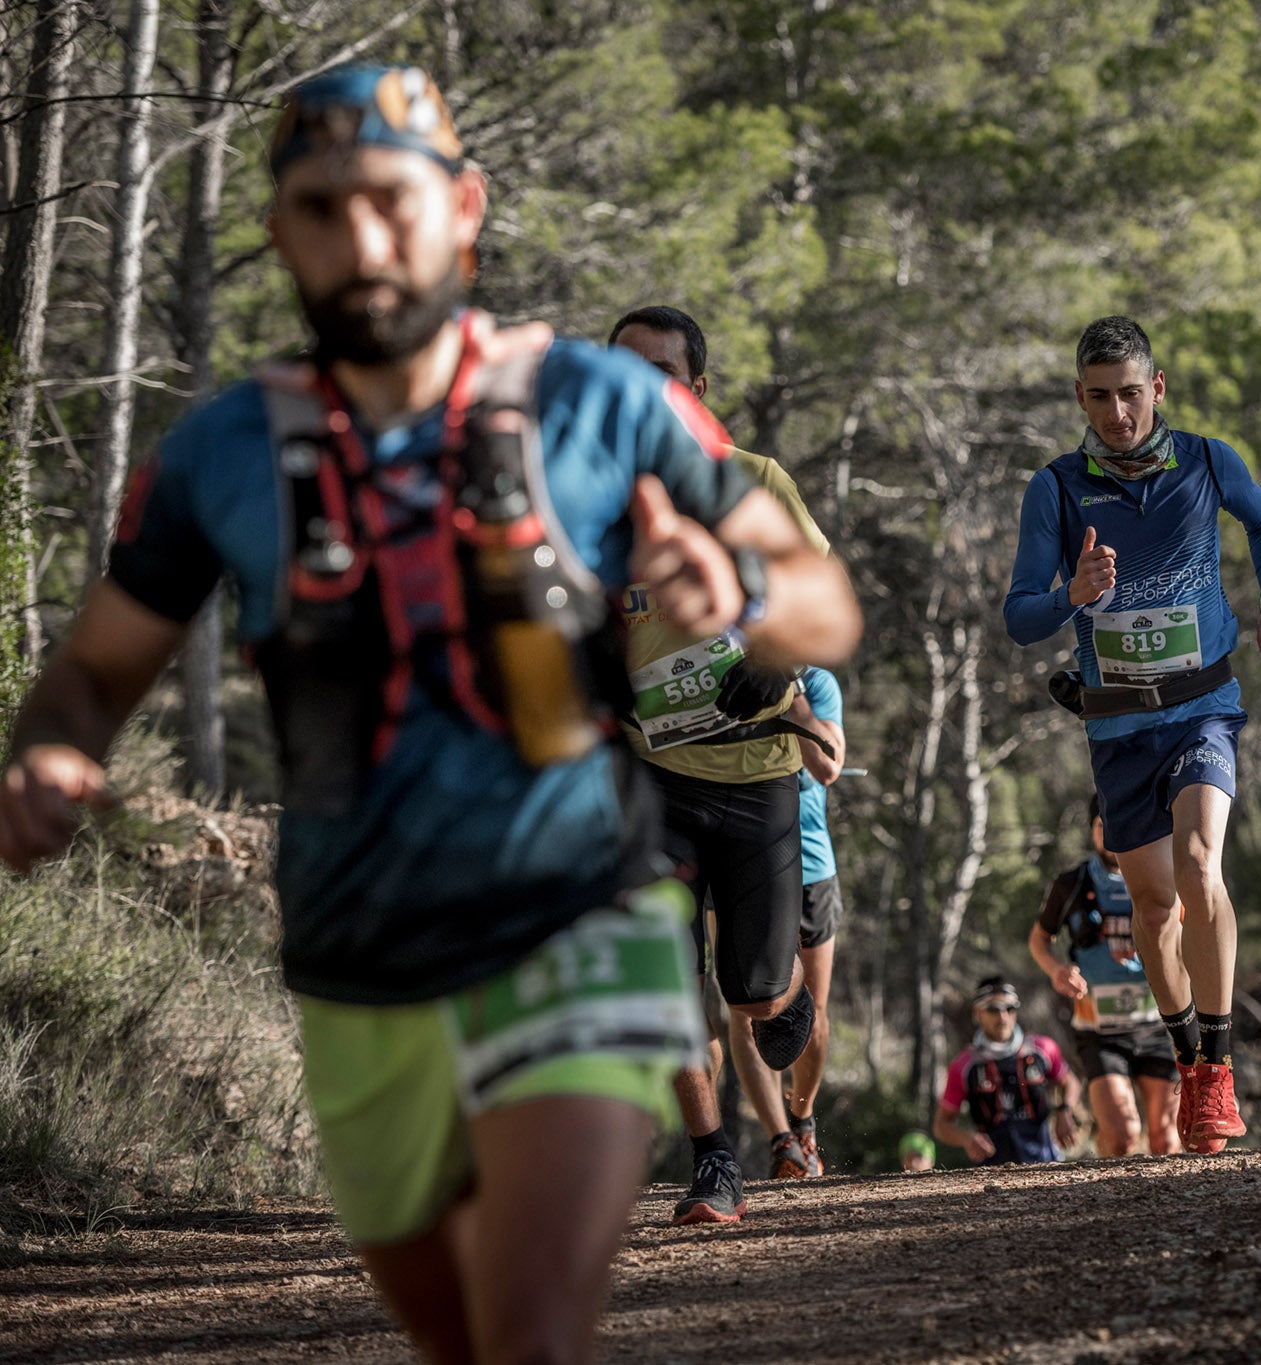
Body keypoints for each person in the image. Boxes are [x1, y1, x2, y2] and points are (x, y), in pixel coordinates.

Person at [0, 66, 859, 1365]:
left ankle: (708, 1153)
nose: (361, 238)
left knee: (529, 1311)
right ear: (280, 231)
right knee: (455, 1323)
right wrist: (50, 753)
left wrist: (750, 595)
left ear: (463, 208)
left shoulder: (604, 405)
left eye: (391, 201)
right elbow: (95, 669)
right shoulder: (224, 452)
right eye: (321, 207)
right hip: (361, 939)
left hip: (581, 902)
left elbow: (818, 602)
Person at [1003, 315, 1261, 1153]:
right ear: (1080, 397)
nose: (1117, 413)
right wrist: (1073, 591)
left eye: (1130, 393)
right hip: (1119, 728)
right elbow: (1021, 617)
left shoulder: (1207, 461)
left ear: (1156, 387)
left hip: (1202, 707)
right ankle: (1185, 1049)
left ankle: (1217, 1070)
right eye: (1099, 397)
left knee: (1203, 864)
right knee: (1153, 906)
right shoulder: (1057, 488)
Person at [607, 306, 848, 1215]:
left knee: (753, 991)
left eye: (662, 373)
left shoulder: (755, 483)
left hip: (756, 775)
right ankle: (713, 1158)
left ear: (697, 391)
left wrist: (777, 658)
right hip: (649, 779)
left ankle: (778, 1000)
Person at [1030, 793, 1182, 1157]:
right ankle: (1108, 1202)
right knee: (1123, 1135)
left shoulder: (1161, 877)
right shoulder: (1072, 883)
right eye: (1102, 827)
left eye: (1120, 826)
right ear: (1092, 830)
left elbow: (1190, 937)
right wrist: (1056, 970)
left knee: (1166, 1140)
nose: (1112, 836)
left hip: (1158, 1028)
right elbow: (1039, 938)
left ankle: (1170, 1212)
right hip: (1100, 1033)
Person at [783, 666, 848, 1175]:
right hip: (741, 862)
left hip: (810, 866)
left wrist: (792, 694)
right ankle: (777, 1138)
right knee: (749, 1006)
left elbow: (828, 767)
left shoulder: (816, 683)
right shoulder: (717, 667)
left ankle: (802, 1123)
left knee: (814, 1009)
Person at [932, 977, 1083, 1166]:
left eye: (1009, 1008)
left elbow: (1070, 1082)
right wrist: (966, 1138)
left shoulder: (1042, 1049)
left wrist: (1065, 1111)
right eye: (993, 1009)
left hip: (1046, 1161)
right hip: (992, 1171)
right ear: (977, 1013)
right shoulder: (964, 1065)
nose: (1002, 1016)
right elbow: (941, 1125)